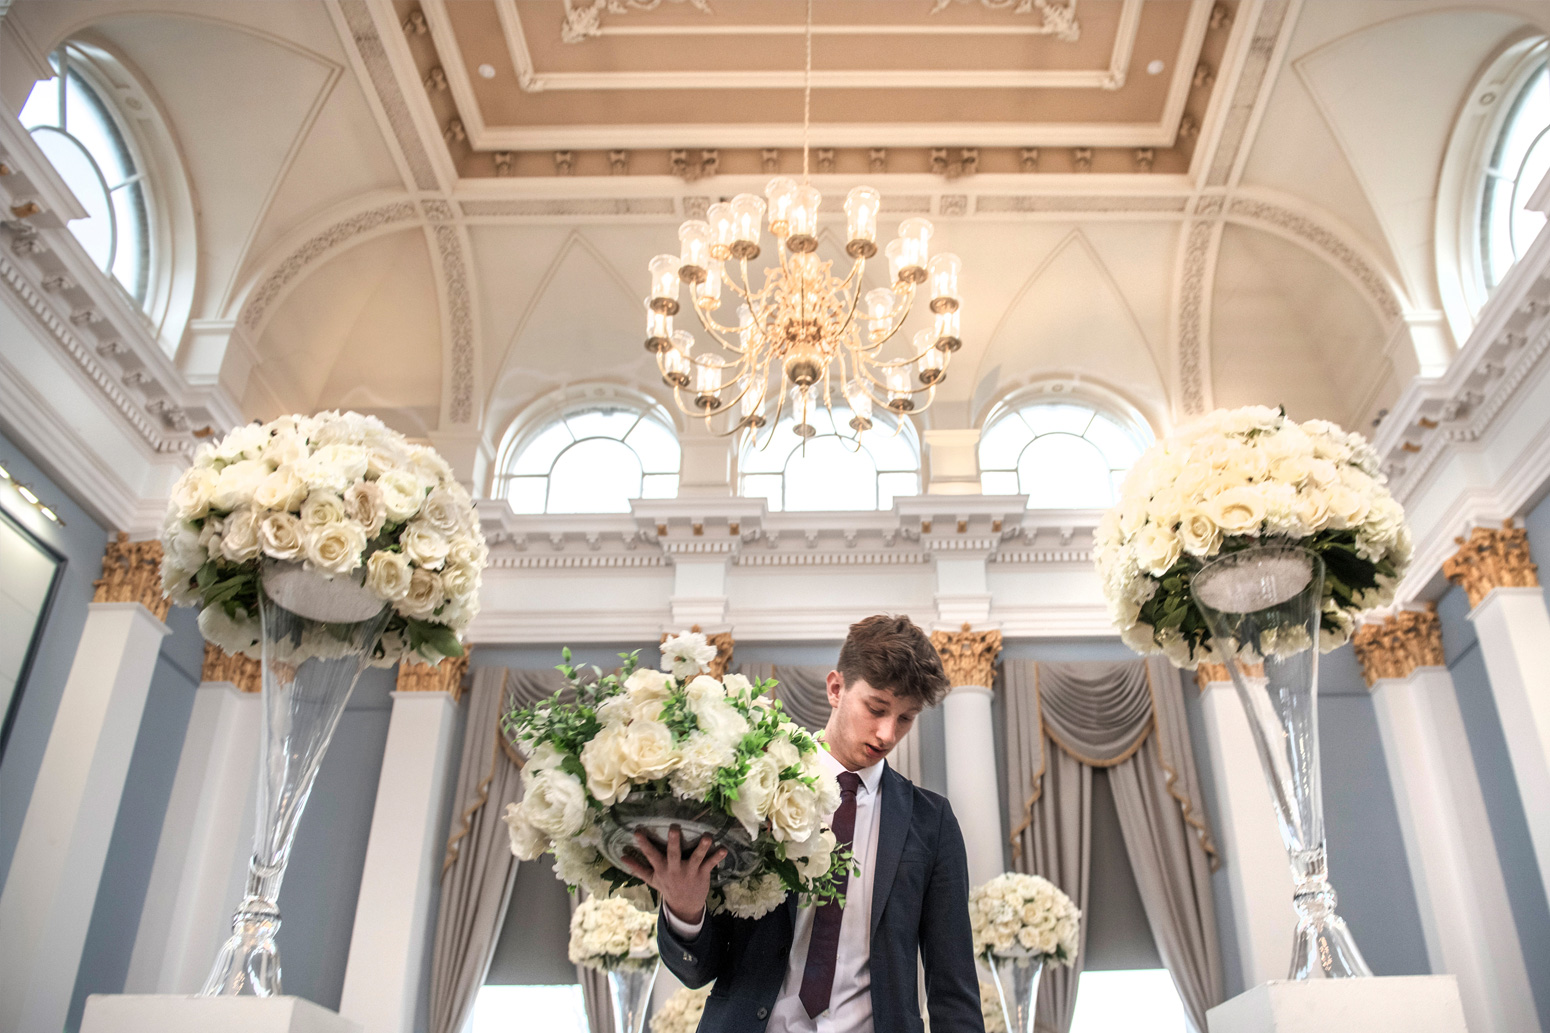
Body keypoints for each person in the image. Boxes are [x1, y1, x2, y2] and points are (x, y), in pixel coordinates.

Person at [623, 614, 985, 1033]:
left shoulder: (931, 822)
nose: (887, 734)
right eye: (877, 708)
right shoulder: (751, 786)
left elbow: (953, 989)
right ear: (836, 688)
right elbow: (697, 970)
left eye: (905, 718)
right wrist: (685, 911)